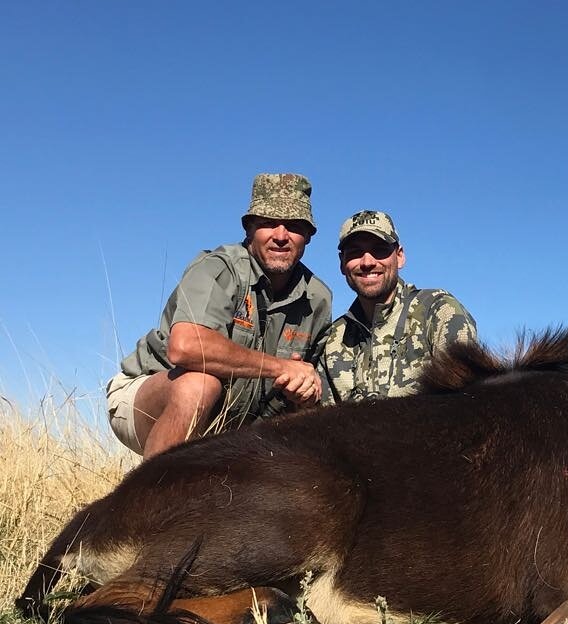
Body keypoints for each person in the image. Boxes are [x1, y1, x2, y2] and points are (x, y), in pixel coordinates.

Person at [107, 173, 333, 459]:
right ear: (249, 228)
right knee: (198, 386)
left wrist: (305, 392)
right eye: (267, 223)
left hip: (238, 426)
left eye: (294, 226)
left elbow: (308, 390)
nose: (280, 236)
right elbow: (184, 348)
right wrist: (280, 368)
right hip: (148, 397)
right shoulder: (219, 268)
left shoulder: (319, 298)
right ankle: (151, 498)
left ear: (309, 235)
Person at [319, 210, 476, 402]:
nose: (367, 262)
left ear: (400, 256)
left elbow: (465, 402)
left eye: (379, 250)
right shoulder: (333, 338)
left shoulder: (439, 310)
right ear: (342, 264)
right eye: (355, 253)